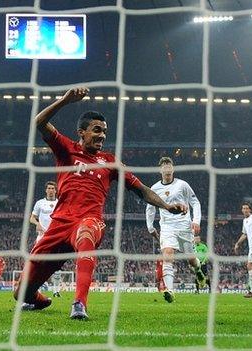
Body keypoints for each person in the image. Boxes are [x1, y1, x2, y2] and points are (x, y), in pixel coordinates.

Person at [13, 87, 187, 320]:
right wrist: (65, 101)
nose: (102, 136)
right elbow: (39, 122)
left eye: (104, 131)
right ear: (81, 133)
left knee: (86, 233)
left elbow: (141, 190)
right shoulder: (67, 150)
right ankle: (40, 300)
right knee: (21, 293)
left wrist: (166, 207)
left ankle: (79, 304)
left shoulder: (110, 162)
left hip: (89, 221)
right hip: (58, 225)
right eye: (97, 130)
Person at [146, 157, 205, 303]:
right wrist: (150, 226)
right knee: (167, 253)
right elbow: (150, 208)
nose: (167, 167)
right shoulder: (155, 188)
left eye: (169, 165)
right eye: (164, 165)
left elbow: (195, 202)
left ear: (173, 168)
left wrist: (196, 221)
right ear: (160, 170)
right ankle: (170, 291)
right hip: (167, 227)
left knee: (191, 259)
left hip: (185, 227)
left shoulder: (182, 185)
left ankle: (198, 271)